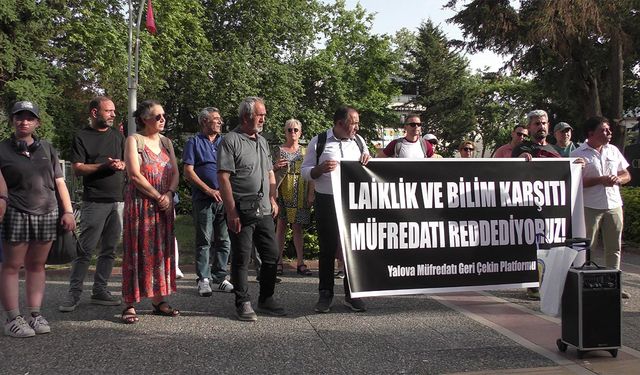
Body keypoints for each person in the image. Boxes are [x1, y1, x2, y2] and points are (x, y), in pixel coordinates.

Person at [0, 101, 76, 337]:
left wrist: (68, 211)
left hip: (48, 212)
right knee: (12, 266)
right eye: (19, 117)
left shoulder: (47, 148)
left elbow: (59, 182)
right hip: (16, 213)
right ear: (12, 120)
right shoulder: (2, 149)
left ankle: (35, 314)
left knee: (37, 265)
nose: (24, 121)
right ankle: (13, 317)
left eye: (29, 117)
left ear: (37, 122)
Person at [218, 96, 286, 321]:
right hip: (242, 209)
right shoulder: (230, 140)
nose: (264, 119)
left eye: (264, 115)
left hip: (264, 209)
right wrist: (231, 211)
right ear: (247, 116)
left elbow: (269, 172)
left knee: (271, 255)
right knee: (241, 257)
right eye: (260, 115)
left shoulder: (263, 141)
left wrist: (273, 198)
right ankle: (243, 302)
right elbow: (224, 178)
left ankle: (266, 298)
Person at [301, 105, 370, 313]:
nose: (357, 127)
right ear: (340, 123)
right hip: (327, 201)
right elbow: (305, 171)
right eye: (354, 123)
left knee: (353, 248)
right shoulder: (319, 141)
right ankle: (325, 294)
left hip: (353, 202)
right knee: (327, 249)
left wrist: (368, 159)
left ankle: (352, 294)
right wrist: (319, 169)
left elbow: (368, 164)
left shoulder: (359, 141)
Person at [59, 97, 125, 312]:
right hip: (94, 201)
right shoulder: (82, 136)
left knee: (109, 250)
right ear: (95, 112)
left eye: (114, 111)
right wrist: (105, 166)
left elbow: (127, 161)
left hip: (118, 201)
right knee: (85, 250)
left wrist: (122, 164)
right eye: (108, 111)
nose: (113, 115)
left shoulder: (117, 135)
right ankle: (73, 294)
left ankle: (100, 291)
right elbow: (77, 168)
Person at [121, 100, 180, 323]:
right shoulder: (133, 140)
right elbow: (134, 175)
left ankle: (158, 299)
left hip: (164, 205)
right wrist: (157, 196)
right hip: (141, 205)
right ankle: (130, 302)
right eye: (157, 116)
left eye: (164, 115)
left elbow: (175, 172)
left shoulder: (167, 143)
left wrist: (170, 194)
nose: (163, 119)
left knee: (160, 252)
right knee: (137, 251)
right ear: (145, 119)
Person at [571, 116, 631, 299]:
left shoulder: (613, 150)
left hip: (614, 204)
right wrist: (600, 180)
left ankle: (614, 285)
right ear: (591, 133)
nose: (609, 132)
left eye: (609, 129)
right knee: (588, 246)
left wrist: (618, 180)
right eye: (604, 130)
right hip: (590, 206)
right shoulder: (578, 154)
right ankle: (588, 283)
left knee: (614, 247)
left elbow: (626, 174)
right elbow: (576, 181)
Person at [183, 107, 233, 296]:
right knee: (204, 239)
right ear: (204, 121)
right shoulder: (194, 142)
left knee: (224, 239)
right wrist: (209, 190)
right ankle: (203, 279)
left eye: (220, 119)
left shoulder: (225, 142)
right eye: (216, 119)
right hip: (203, 199)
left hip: (224, 198)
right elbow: (188, 171)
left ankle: (220, 277)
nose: (220, 122)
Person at [512, 110, 561, 300]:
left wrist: (575, 165)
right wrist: (519, 161)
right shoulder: (522, 149)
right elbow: (510, 171)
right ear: (530, 127)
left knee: (550, 245)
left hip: (553, 208)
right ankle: (532, 284)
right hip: (528, 206)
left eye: (544, 123)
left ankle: (549, 282)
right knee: (532, 246)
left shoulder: (554, 151)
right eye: (536, 124)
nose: (541, 127)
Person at [273, 119, 315, 276]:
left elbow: (311, 175)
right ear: (285, 132)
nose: (292, 132)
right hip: (283, 191)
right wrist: (275, 166)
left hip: (301, 192)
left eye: (295, 130)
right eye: (289, 130)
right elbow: (269, 171)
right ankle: (278, 261)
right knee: (281, 226)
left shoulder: (306, 152)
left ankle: (300, 262)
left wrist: (311, 193)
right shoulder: (278, 150)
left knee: (298, 228)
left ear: (300, 132)